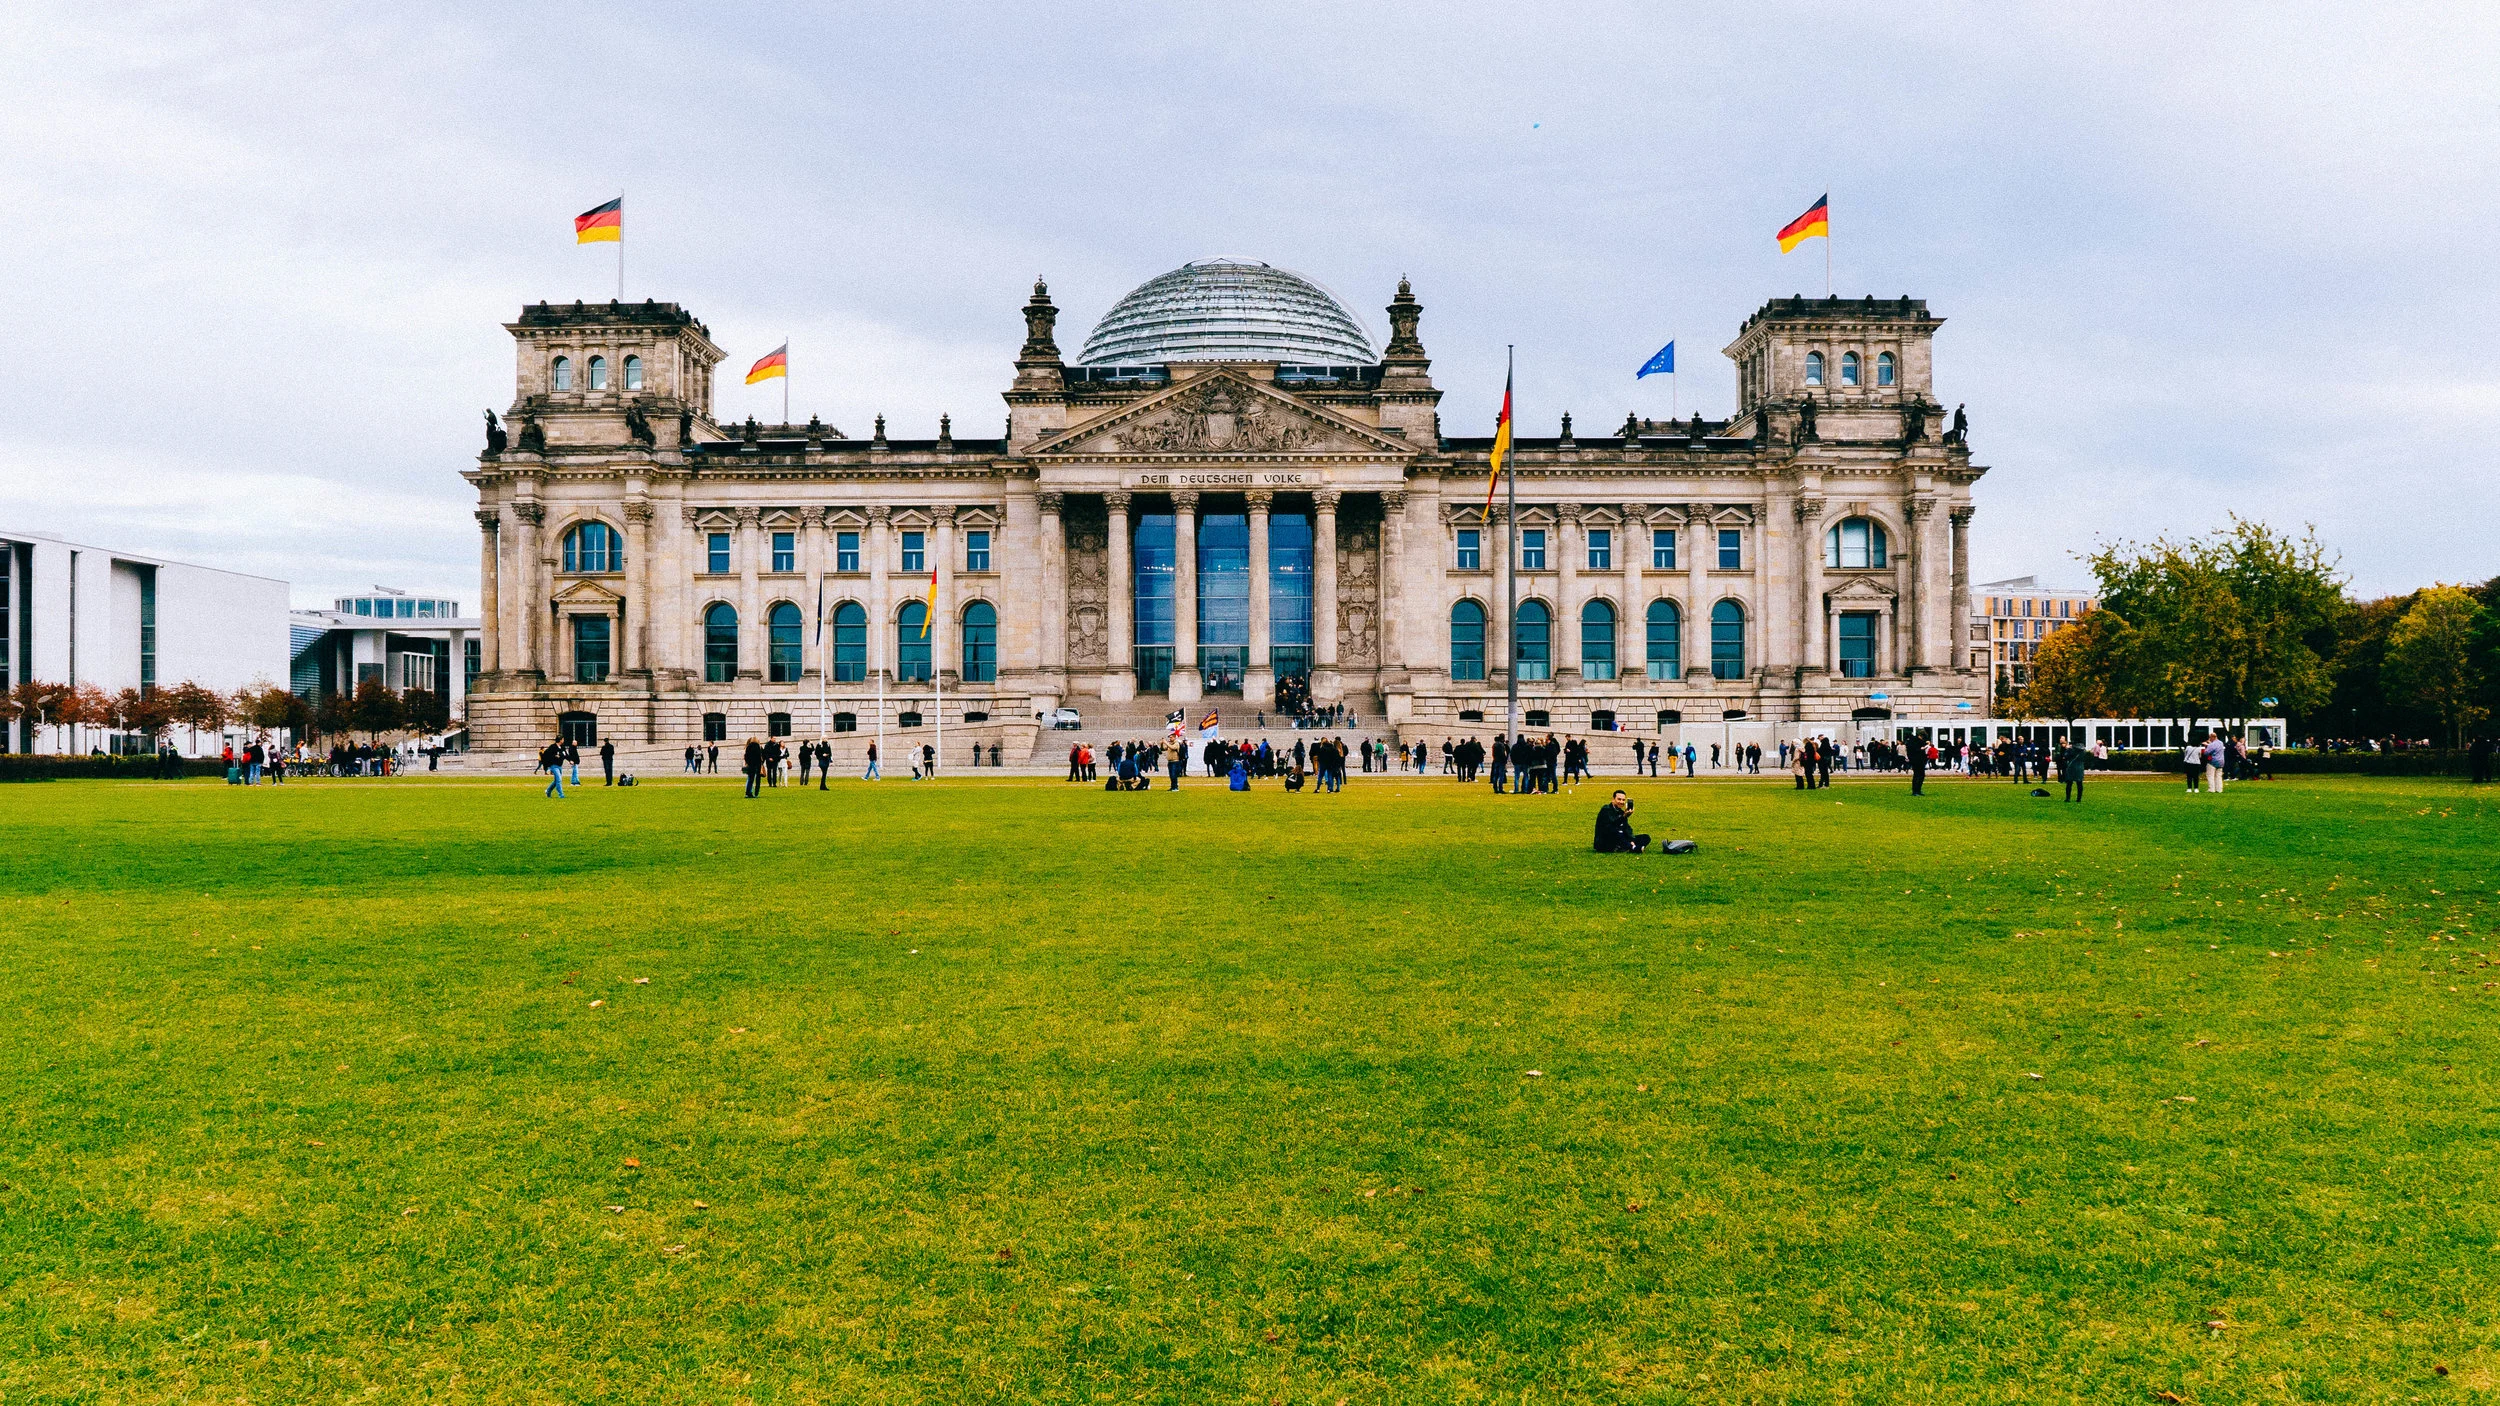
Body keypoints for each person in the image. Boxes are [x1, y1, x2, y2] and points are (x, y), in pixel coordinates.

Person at [2059, 738, 2087, 802]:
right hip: (2080, 767)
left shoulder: (2071, 749)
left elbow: (2065, 757)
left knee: (2069, 783)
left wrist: (2067, 749)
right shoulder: (2083, 750)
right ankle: (2079, 798)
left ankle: (2068, 798)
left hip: (2071, 766)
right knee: (2079, 783)